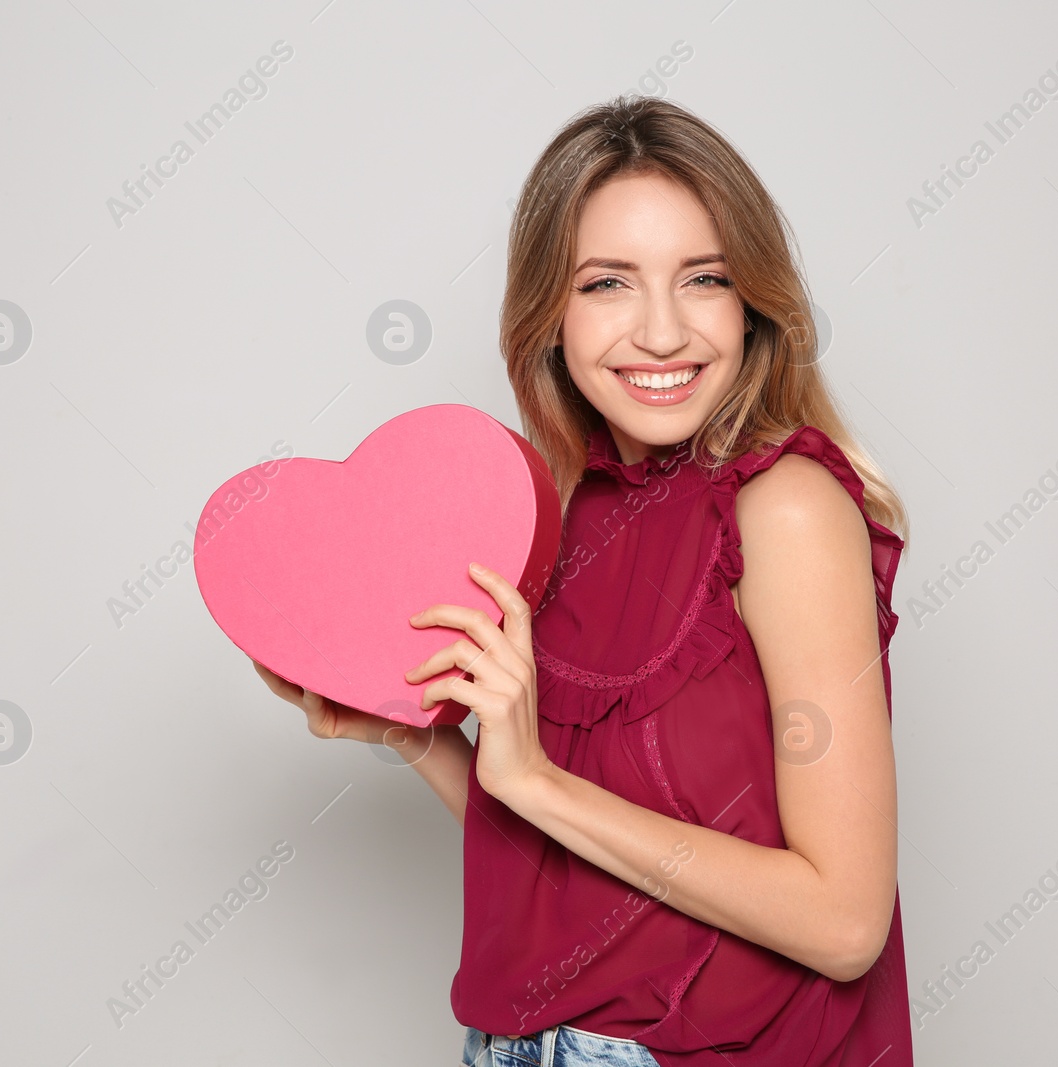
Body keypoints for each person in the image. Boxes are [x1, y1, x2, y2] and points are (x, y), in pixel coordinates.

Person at [255, 95, 914, 1066]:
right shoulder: (562, 507)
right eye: (608, 283)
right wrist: (422, 739)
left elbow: (844, 920)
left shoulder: (784, 507)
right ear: (549, 315)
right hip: (518, 1045)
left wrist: (531, 775)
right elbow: (559, 876)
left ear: (752, 302)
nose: (659, 332)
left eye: (704, 279)